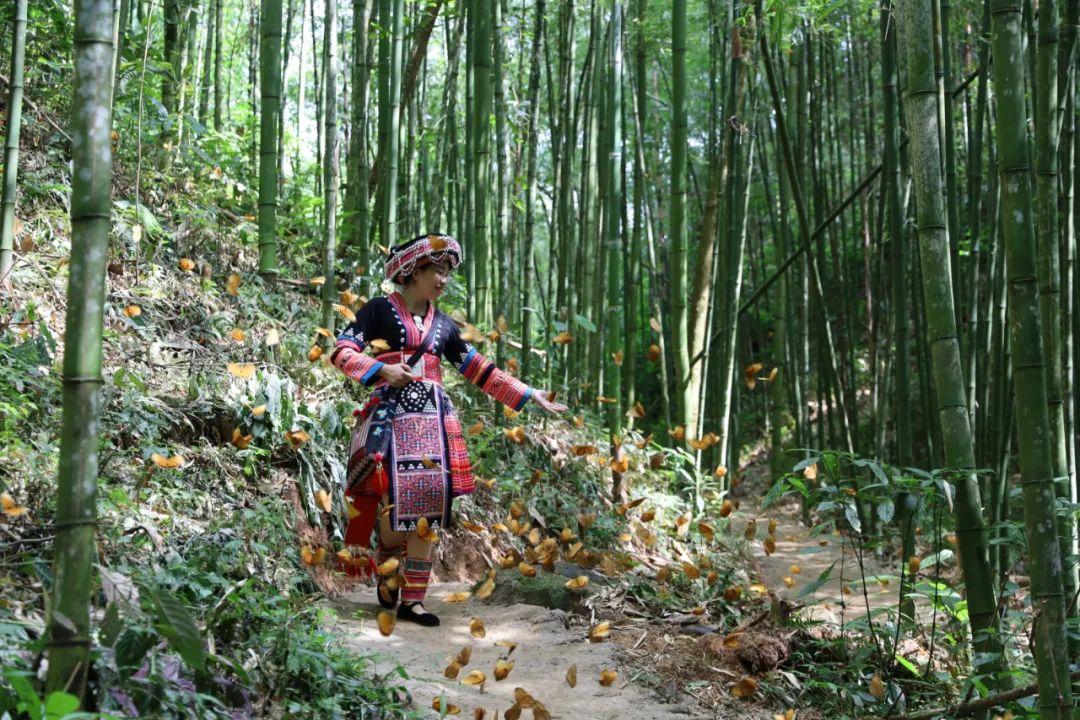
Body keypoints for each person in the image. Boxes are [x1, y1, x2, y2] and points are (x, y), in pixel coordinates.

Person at [330, 233, 567, 626]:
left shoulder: (443, 326)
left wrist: (528, 394)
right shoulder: (376, 311)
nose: (443, 280)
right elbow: (341, 351)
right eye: (436, 271)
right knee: (391, 510)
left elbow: (479, 369)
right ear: (412, 272)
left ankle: (413, 601)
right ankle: (387, 563)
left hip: (434, 423)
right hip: (390, 422)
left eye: (447, 274)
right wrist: (382, 370)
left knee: (430, 508)